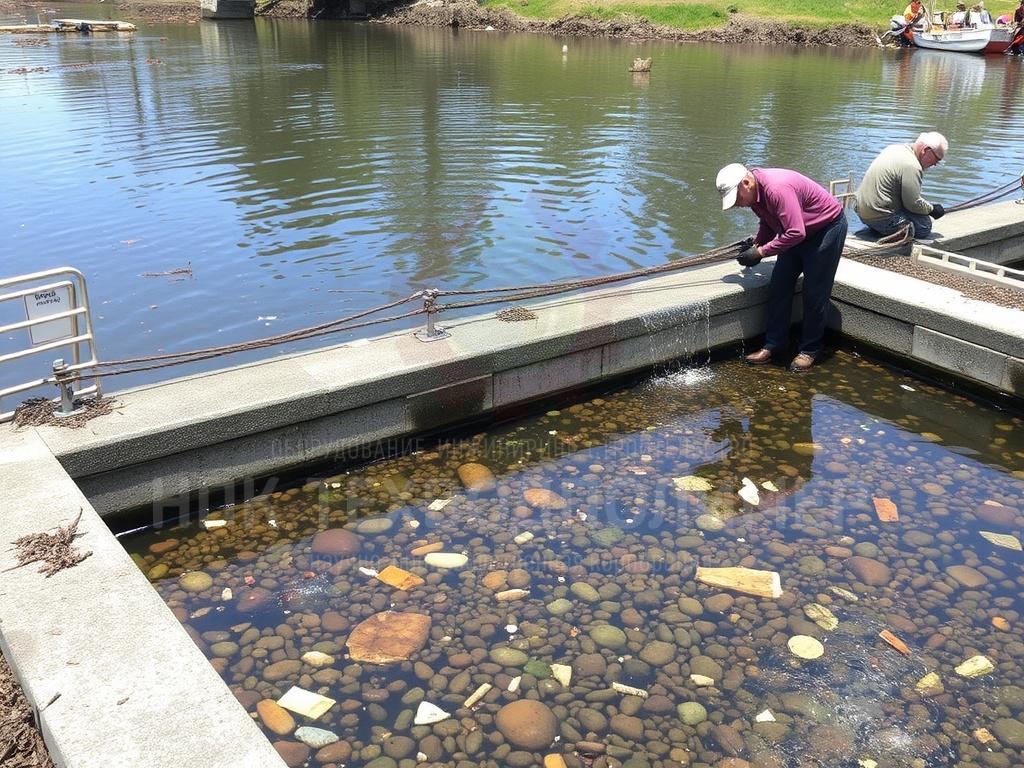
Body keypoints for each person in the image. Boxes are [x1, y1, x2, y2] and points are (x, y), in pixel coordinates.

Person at [715, 164, 848, 373]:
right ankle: (774, 343)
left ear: (746, 183)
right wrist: (757, 245)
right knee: (779, 285)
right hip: (798, 232)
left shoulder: (777, 189)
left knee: (815, 292)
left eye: (737, 198)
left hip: (825, 229)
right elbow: (769, 222)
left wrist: (762, 253)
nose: (737, 205)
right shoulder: (754, 195)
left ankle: (809, 350)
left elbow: (796, 232)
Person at [855, 132, 947, 240]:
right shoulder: (912, 166)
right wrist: (932, 209)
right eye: (936, 159)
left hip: (862, 212)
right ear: (926, 150)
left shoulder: (894, 149)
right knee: (924, 226)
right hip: (880, 216)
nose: (935, 164)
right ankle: (890, 231)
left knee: (918, 215)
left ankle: (878, 229)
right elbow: (913, 204)